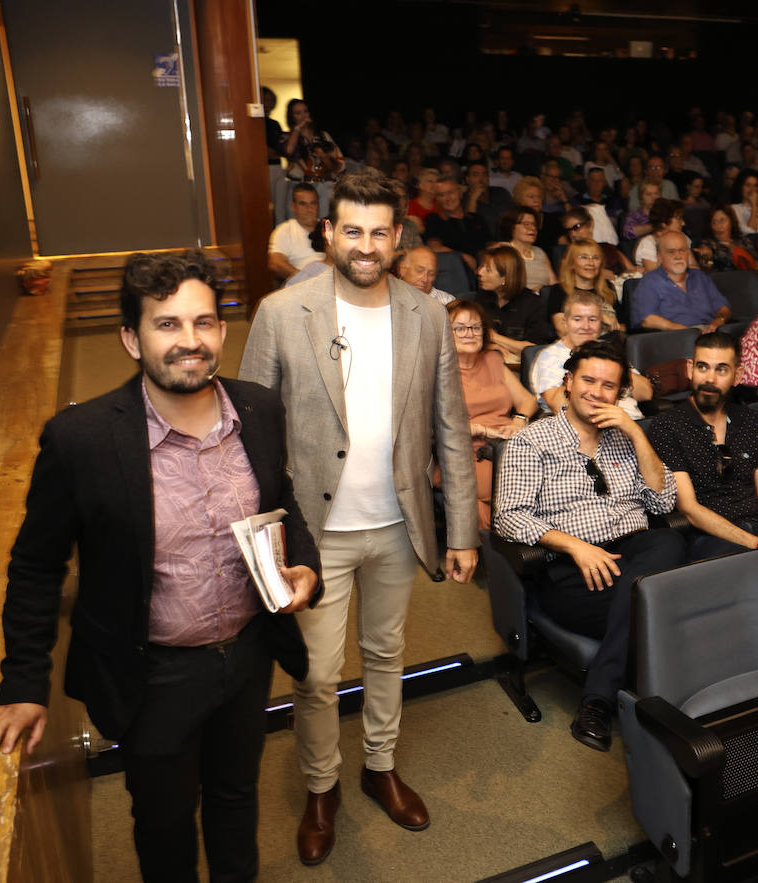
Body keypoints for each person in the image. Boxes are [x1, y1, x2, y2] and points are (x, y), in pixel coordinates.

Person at [0, 251, 322, 881]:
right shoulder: (81, 440)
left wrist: (306, 566)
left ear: (221, 329)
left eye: (204, 323)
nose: (190, 342)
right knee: (163, 823)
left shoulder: (260, 411)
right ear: (131, 338)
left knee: (236, 798)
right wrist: (22, 685)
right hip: (151, 675)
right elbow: (34, 566)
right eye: (168, 325)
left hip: (246, 656)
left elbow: (283, 499)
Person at [240, 169, 480, 863]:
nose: (366, 244)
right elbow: (252, 433)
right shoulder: (283, 312)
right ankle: (323, 785)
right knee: (315, 673)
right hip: (316, 534)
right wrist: (268, 542)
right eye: (352, 230)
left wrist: (461, 529)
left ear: (398, 236)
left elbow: (451, 430)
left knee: (386, 652)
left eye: (380, 231)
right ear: (328, 233)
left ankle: (379, 765)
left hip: (398, 527)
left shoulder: (427, 313)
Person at [493, 340, 684, 751]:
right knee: (662, 602)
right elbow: (508, 517)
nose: (596, 392)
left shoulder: (625, 438)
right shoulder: (532, 442)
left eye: (609, 385)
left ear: (621, 394)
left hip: (637, 552)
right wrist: (576, 547)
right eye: (588, 380)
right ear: (568, 381)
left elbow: (663, 501)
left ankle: (597, 698)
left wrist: (635, 432)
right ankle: (672, 700)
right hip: (574, 570)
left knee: (666, 542)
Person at [647, 333, 758, 583]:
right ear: (690, 369)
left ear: (738, 376)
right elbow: (689, 509)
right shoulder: (668, 426)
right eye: (702, 367)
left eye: (721, 370)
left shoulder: (747, 420)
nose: (709, 379)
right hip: (710, 539)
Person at [444, 300, 538, 530]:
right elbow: (432, 427)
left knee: (541, 486)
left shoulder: (493, 359)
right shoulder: (437, 371)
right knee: (501, 495)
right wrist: (481, 430)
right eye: (460, 328)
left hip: (508, 444)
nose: (470, 333)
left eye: (475, 327)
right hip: (463, 452)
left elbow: (528, 400)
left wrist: (519, 420)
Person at [531, 292, 650, 420]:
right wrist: (580, 362)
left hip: (633, 422)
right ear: (565, 322)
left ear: (600, 323)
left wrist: (615, 370)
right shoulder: (549, 357)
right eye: (577, 319)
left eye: (592, 320)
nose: (586, 326)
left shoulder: (608, 350)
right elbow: (558, 405)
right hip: (594, 429)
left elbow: (646, 393)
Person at [630, 231, 732, 331]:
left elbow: (723, 308)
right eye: (671, 251)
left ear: (688, 254)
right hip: (676, 338)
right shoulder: (650, 281)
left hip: (711, 334)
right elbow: (646, 319)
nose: (678, 256)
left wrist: (719, 320)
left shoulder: (700, 277)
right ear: (659, 257)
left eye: (682, 250)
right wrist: (687, 332)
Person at [474, 243, 553, 360]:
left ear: (505, 277)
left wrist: (493, 336)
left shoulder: (532, 303)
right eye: (481, 267)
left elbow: (533, 349)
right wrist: (491, 346)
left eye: (487, 269)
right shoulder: (479, 299)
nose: (479, 272)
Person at [545, 237, 622, 335]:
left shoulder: (608, 288)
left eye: (595, 258)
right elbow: (561, 329)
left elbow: (623, 326)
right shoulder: (559, 290)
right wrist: (600, 317)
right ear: (572, 263)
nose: (591, 263)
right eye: (584, 257)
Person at [423, 177, 487, 270]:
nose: (447, 198)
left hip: (484, 267)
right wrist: (463, 257)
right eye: (441, 195)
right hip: (456, 270)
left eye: (450, 192)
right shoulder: (434, 219)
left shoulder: (476, 218)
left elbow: (489, 243)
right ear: (436, 199)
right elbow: (434, 247)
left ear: (460, 193)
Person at [269, 182, 326, 280]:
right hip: (302, 284)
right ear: (293, 207)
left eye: (313, 203)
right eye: (303, 204)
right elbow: (275, 264)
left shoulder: (327, 227)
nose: (309, 209)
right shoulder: (285, 230)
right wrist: (305, 279)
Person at [282, 99, 344, 182]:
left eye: (305, 111)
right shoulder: (289, 137)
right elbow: (289, 151)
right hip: (300, 186)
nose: (303, 116)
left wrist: (325, 157)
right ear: (291, 117)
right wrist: (297, 128)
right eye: (298, 113)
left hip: (325, 185)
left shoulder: (323, 135)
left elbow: (339, 166)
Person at [498, 206, 554, 292]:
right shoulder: (503, 249)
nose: (533, 228)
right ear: (511, 227)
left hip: (542, 299)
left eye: (534, 224)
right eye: (526, 224)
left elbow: (552, 282)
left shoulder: (540, 252)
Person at [694, 204, 758, 272]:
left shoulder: (744, 241)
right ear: (710, 226)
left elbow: (757, 263)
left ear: (731, 222)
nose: (719, 225)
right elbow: (708, 268)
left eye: (722, 220)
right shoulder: (707, 244)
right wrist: (708, 259)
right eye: (714, 222)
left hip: (749, 279)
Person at [635, 197, 686, 272]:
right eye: (678, 218)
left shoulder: (682, 239)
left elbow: (695, 269)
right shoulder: (648, 243)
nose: (683, 223)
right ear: (664, 222)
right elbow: (654, 276)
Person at [729, 169, 758, 235]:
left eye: (755, 185)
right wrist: (754, 205)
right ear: (740, 187)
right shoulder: (733, 209)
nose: (752, 189)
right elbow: (750, 232)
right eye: (748, 185)